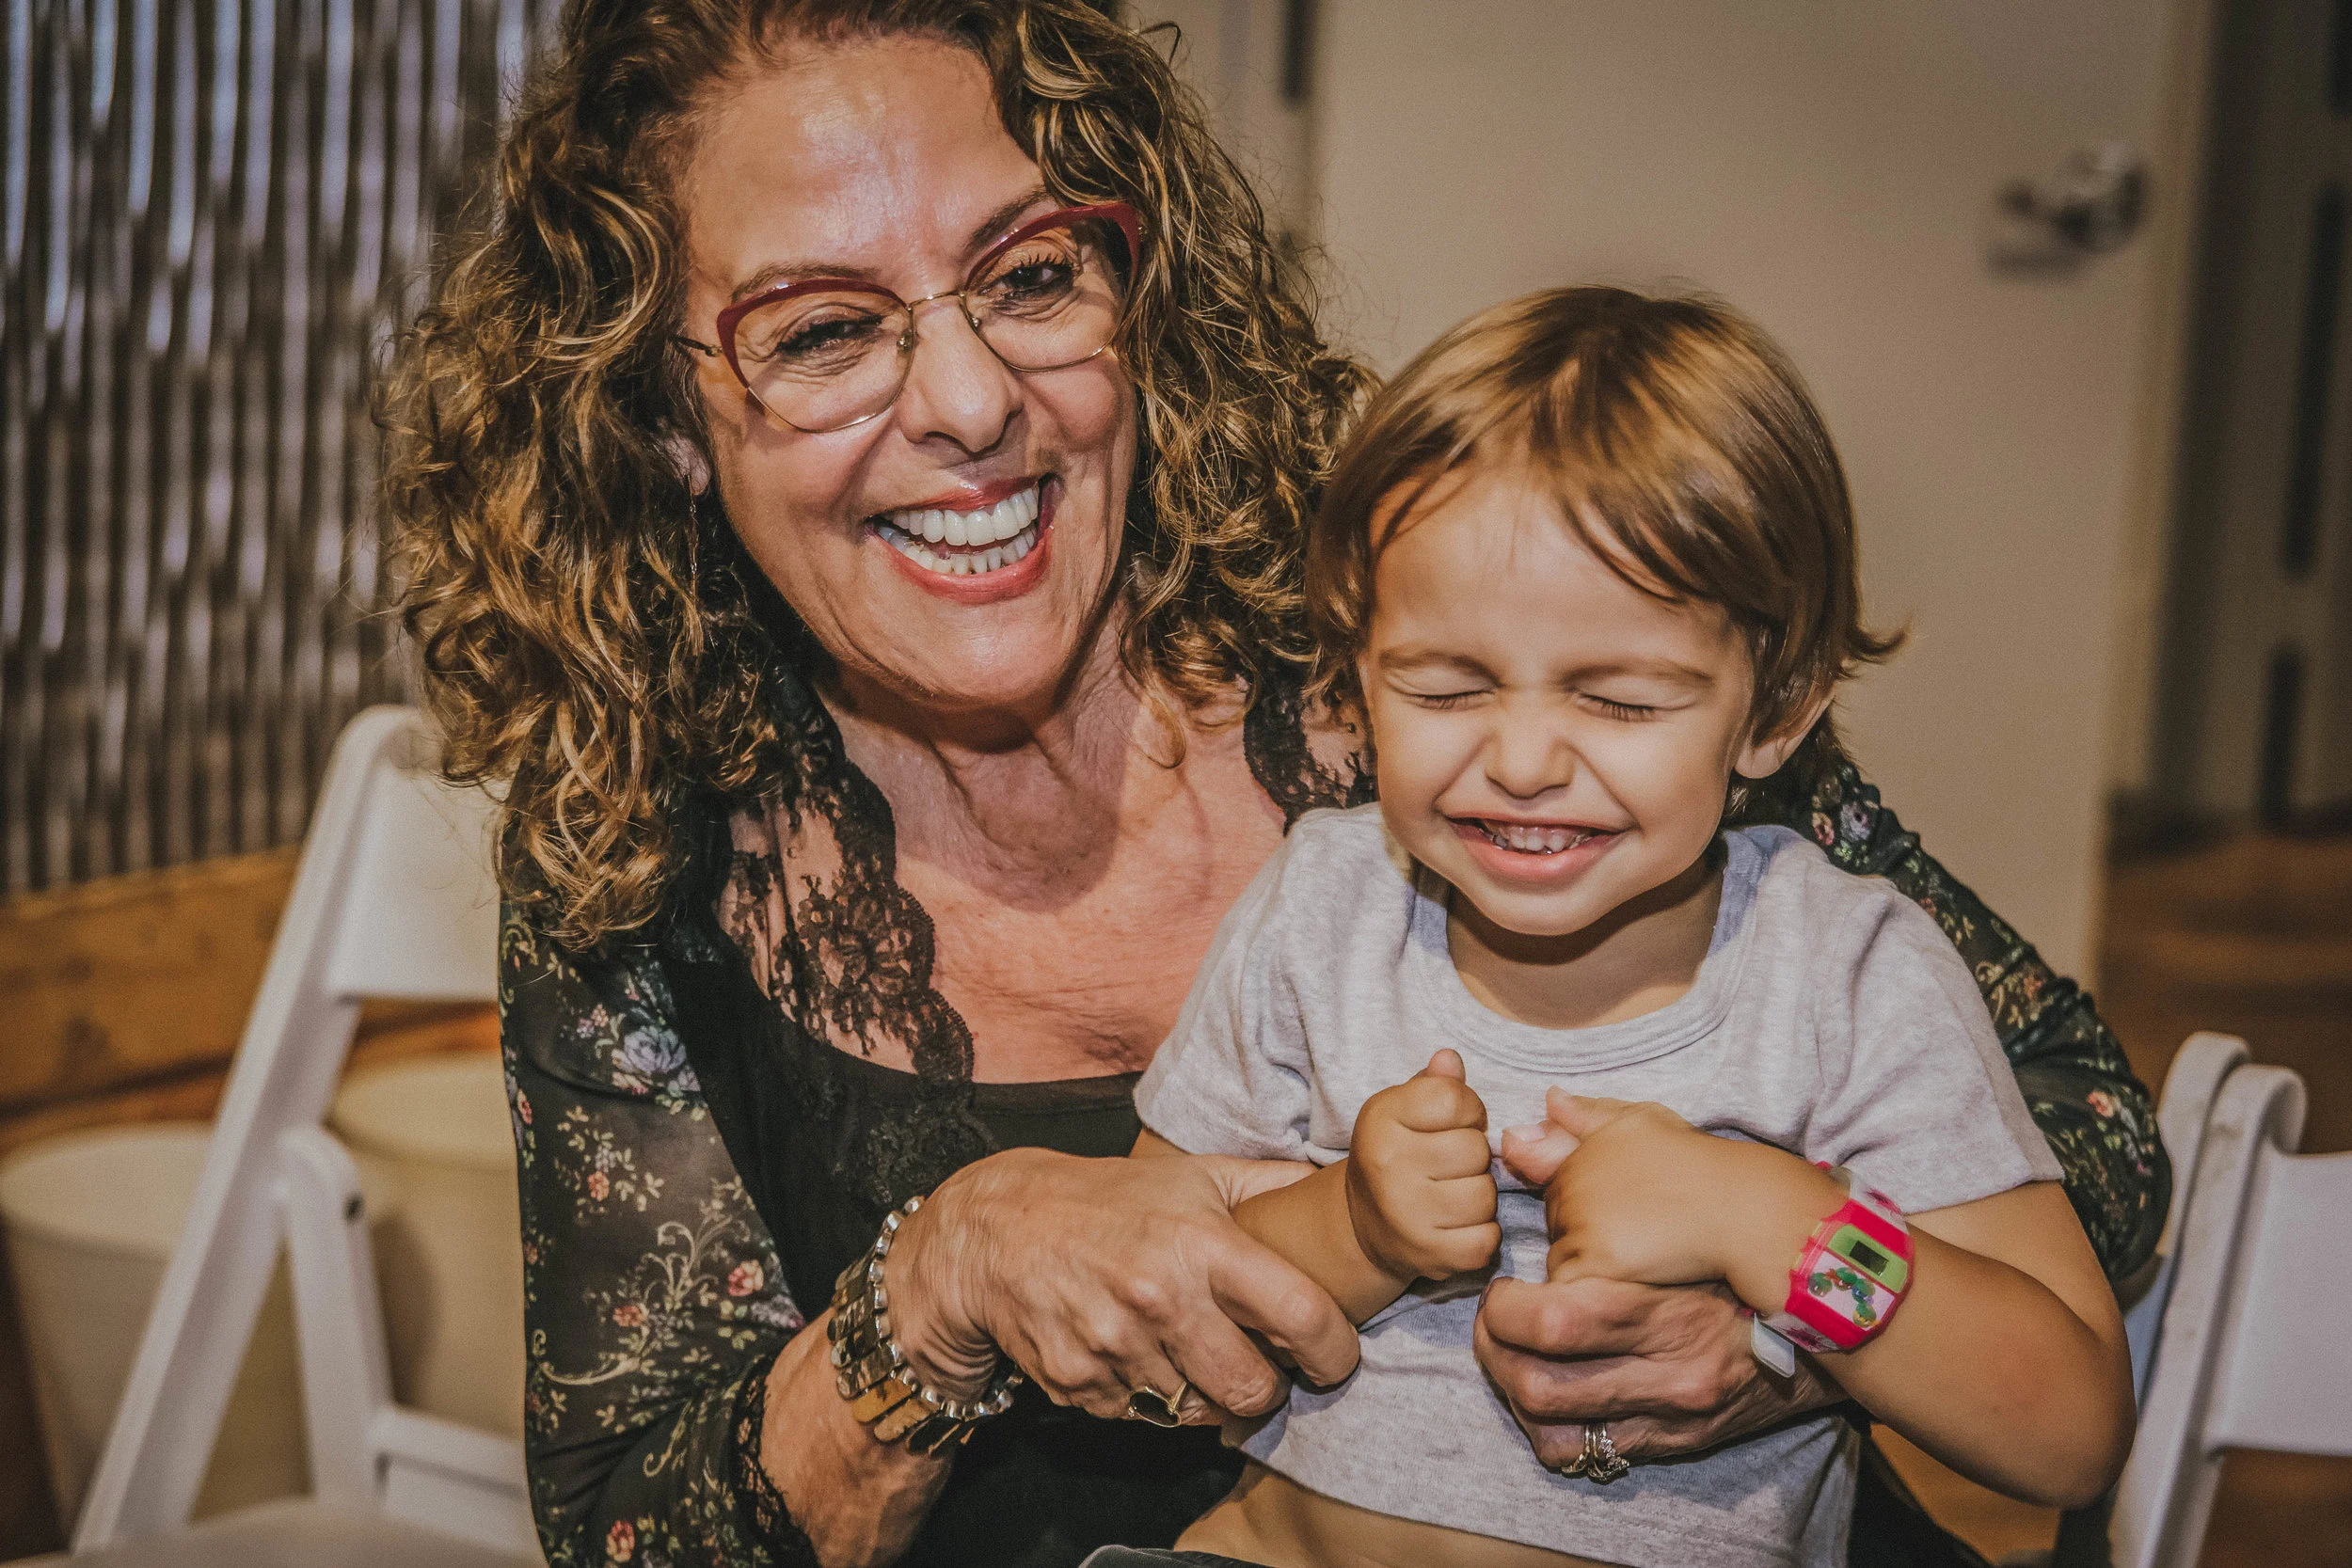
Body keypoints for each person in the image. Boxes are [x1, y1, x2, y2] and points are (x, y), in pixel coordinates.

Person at [382, 4, 2167, 1566]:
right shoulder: (641, 839)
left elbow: (2078, 1125)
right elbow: (632, 1527)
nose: (971, 401)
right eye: (823, 330)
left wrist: (1790, 1321)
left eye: (1031, 274)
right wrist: (938, 1284)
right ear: (661, 421)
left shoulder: (1461, 610)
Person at [1116, 288, 2136, 1568]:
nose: (1523, 759)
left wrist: (1772, 1221)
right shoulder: (1320, 912)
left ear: (1776, 711)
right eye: (1447, 686)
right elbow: (1146, 1295)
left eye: (1621, 702)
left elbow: (2067, 1426)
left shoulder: (1844, 978)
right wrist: (1352, 1231)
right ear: (1360, 674)